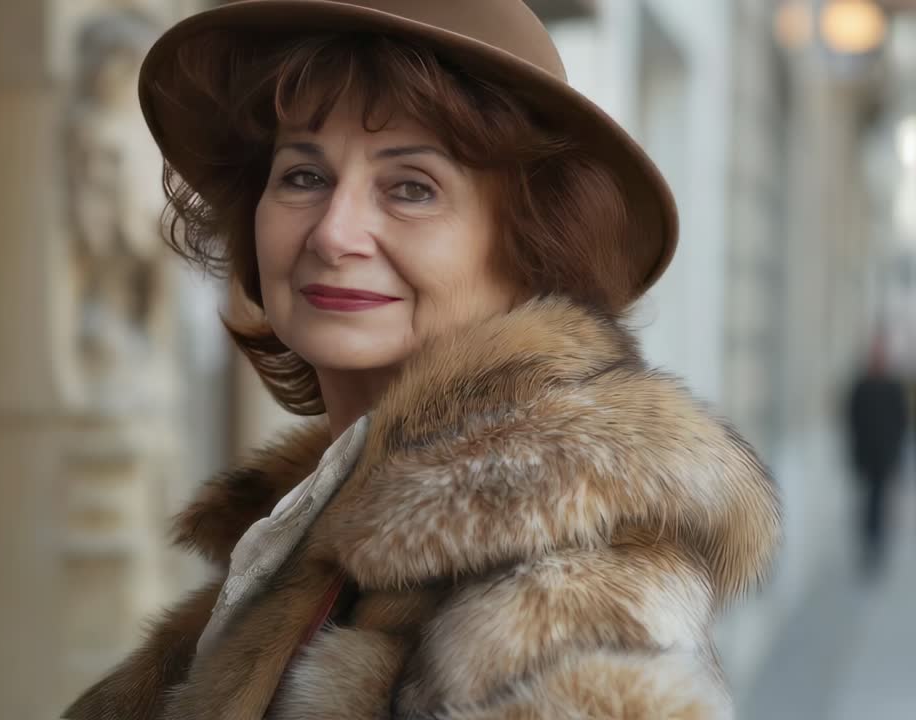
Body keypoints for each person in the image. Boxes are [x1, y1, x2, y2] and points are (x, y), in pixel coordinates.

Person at [65, 1, 781, 718]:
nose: (335, 233)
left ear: (528, 249)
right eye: (303, 177)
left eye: (411, 188)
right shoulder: (320, 533)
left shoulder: (569, 587)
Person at [845, 334, 910, 578]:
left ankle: (877, 542)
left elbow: (901, 423)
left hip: (886, 455)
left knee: (880, 499)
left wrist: (896, 455)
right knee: (868, 499)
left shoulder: (893, 387)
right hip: (866, 455)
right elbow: (853, 420)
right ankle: (868, 540)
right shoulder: (862, 385)